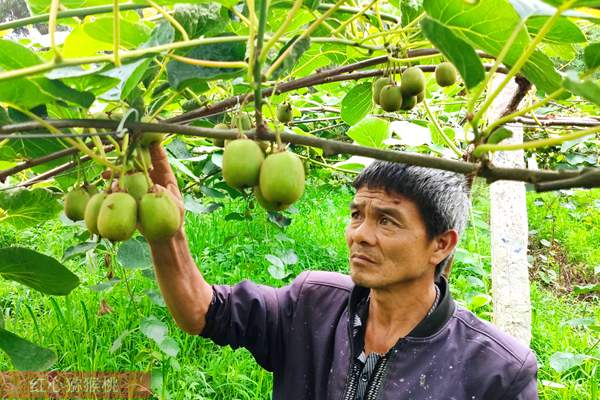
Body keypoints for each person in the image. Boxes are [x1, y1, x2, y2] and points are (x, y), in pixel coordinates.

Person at [146, 143, 538, 399]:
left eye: (387, 221)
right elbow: (202, 311)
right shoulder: (312, 304)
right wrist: (169, 234)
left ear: (441, 244)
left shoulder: (498, 372)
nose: (361, 235)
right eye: (357, 215)